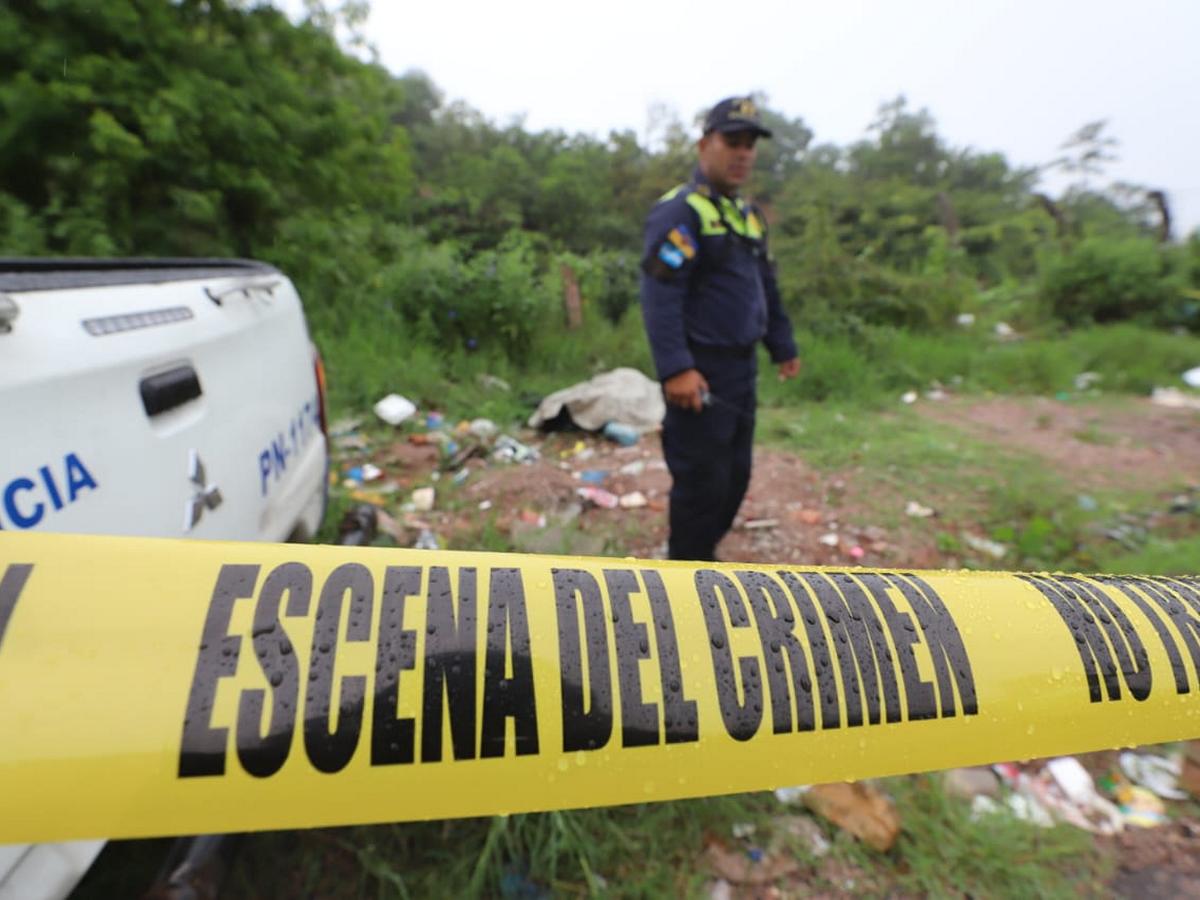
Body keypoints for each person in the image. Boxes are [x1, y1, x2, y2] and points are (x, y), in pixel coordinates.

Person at [639, 96, 801, 561]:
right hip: (700, 373)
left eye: (750, 144)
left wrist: (782, 344)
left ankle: (700, 556)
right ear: (704, 144)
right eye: (732, 141)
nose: (743, 153)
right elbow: (660, 295)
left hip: (741, 371)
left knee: (736, 476)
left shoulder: (746, 215)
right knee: (701, 481)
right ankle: (686, 576)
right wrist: (675, 369)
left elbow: (765, 286)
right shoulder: (681, 212)